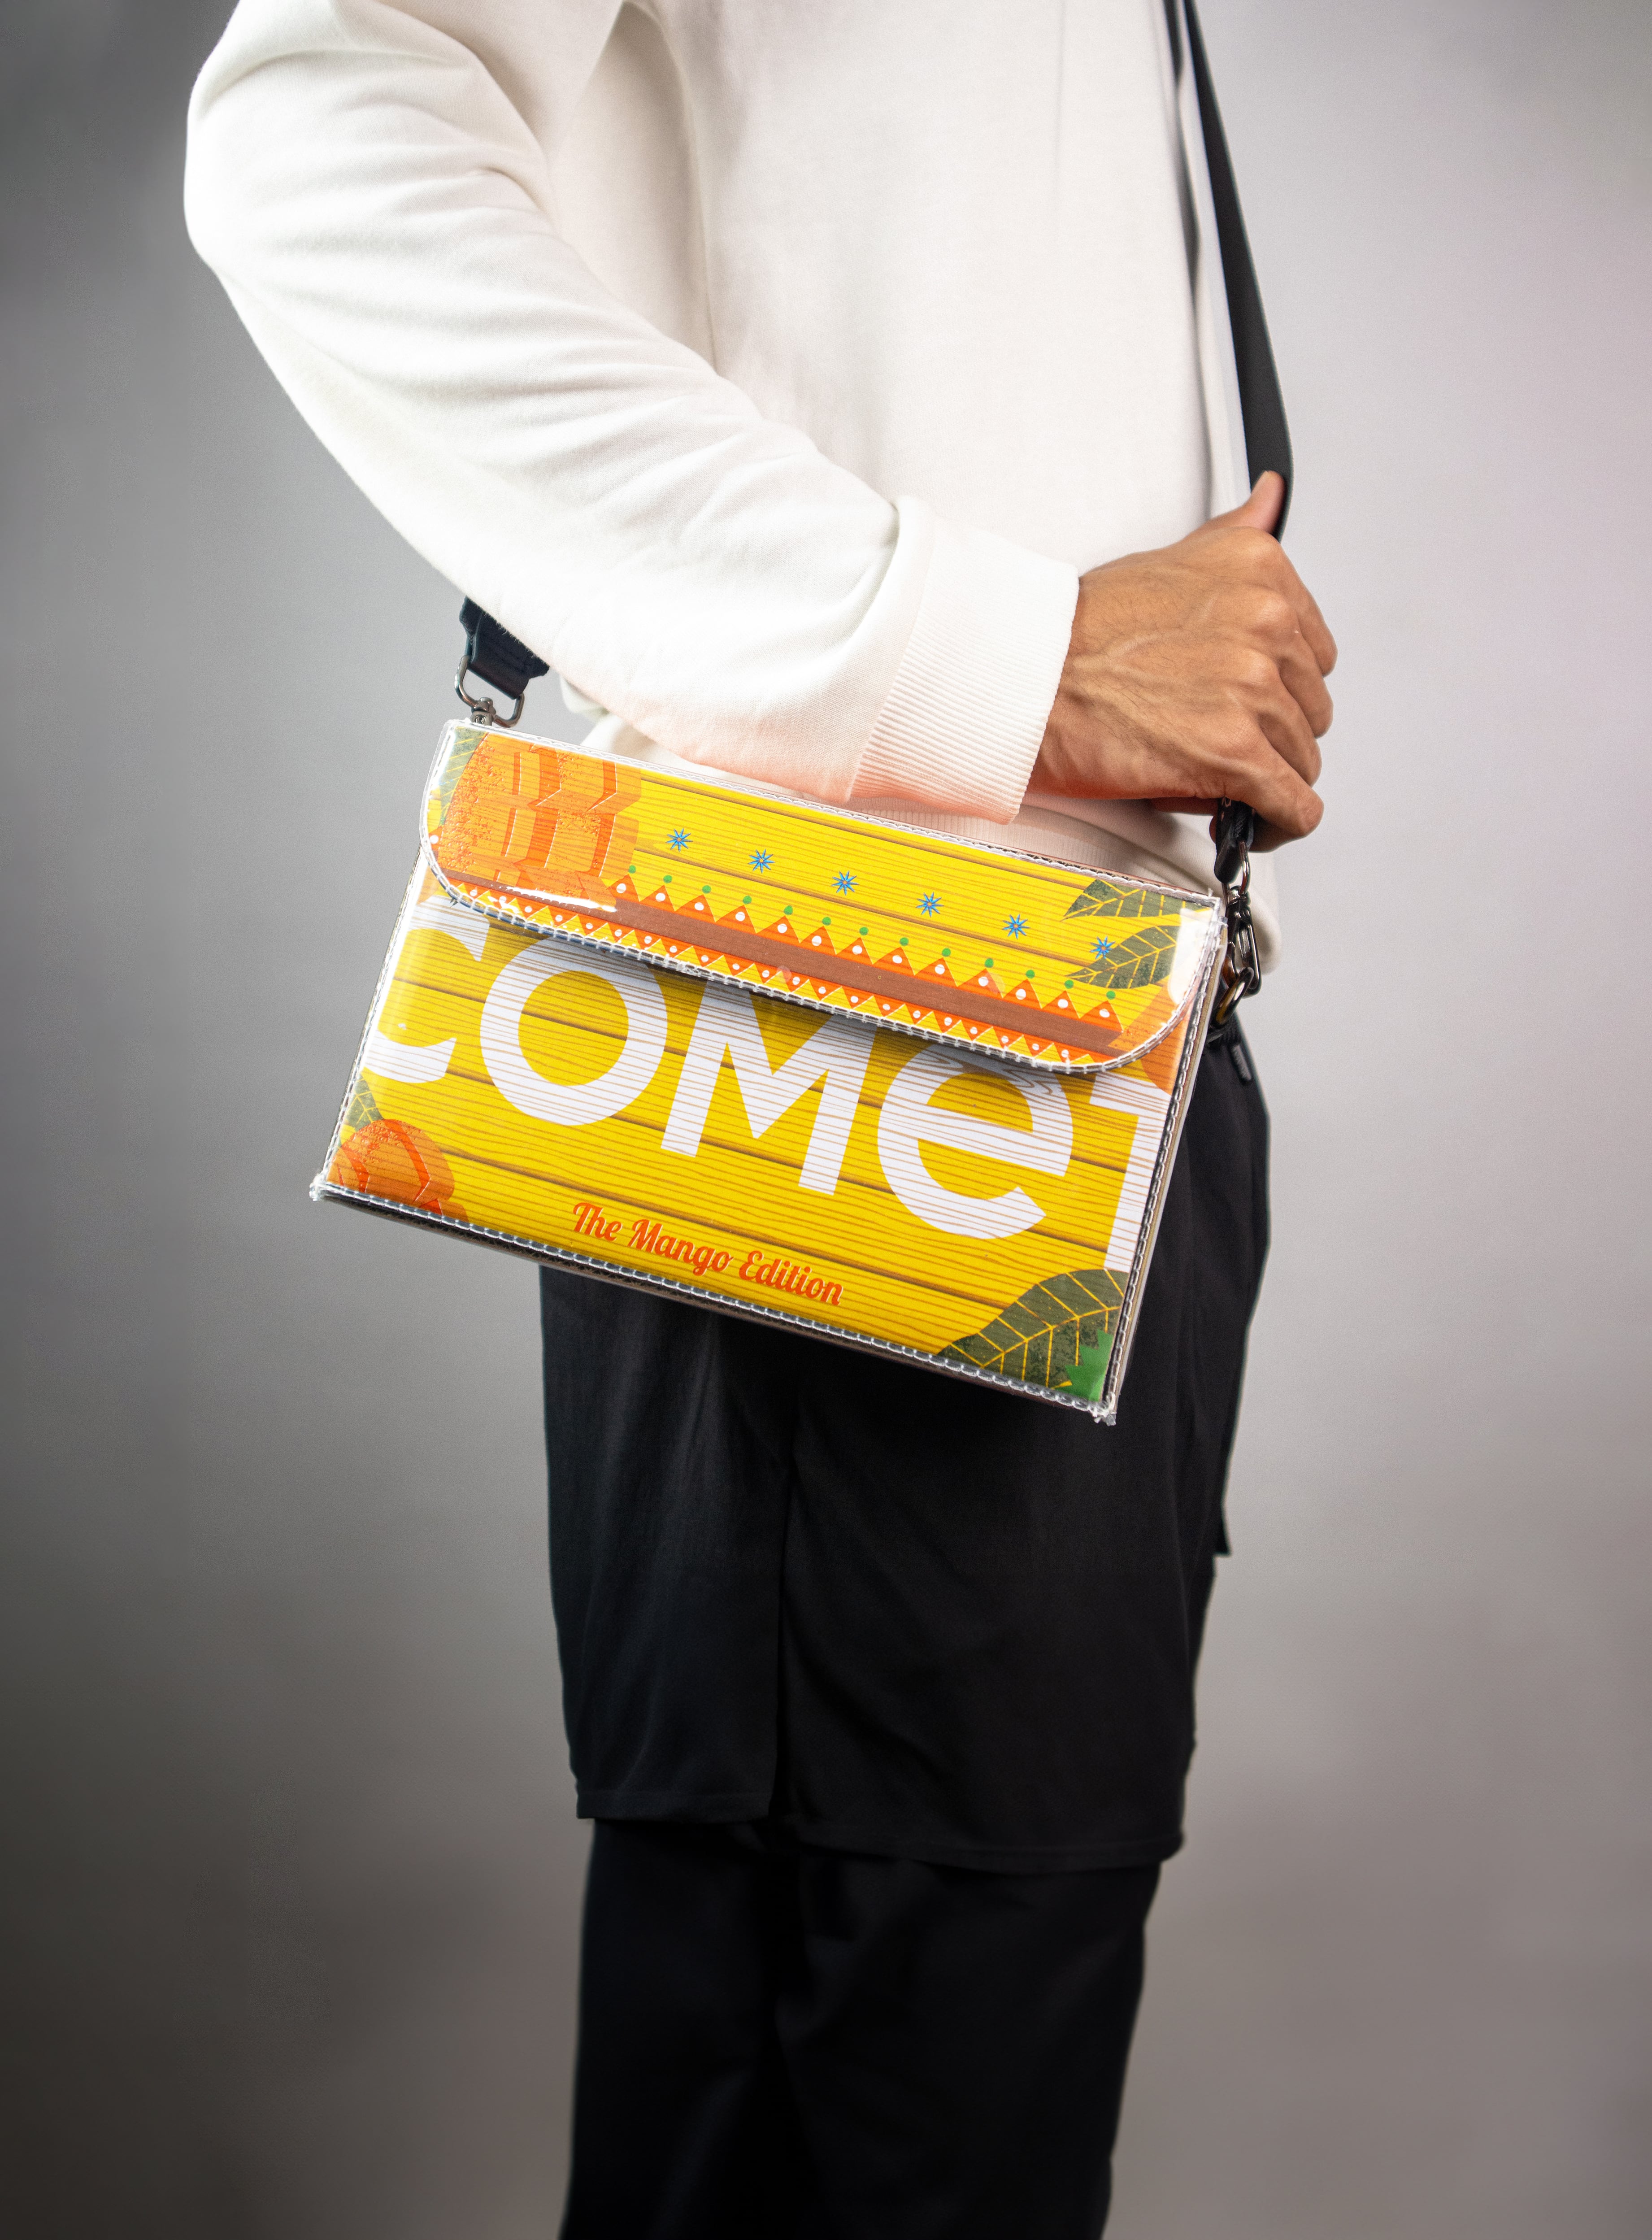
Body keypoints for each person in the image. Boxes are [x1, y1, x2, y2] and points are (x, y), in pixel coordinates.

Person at [187, 3, 1336, 2232]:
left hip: (1094, 1073)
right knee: (859, 2099)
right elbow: (318, 132)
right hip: (848, 1064)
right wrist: (994, 654)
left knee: (980, 2081)